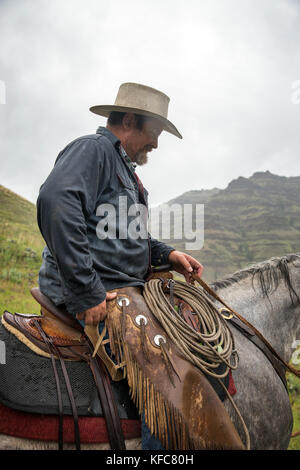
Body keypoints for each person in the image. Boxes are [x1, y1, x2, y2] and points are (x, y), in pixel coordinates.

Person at [37, 82, 203, 449]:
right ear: (129, 120)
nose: (156, 144)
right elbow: (56, 203)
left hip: (122, 288)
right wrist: (86, 290)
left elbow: (124, 234)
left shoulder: (125, 170)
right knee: (166, 380)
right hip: (96, 290)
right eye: (154, 132)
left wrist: (167, 255)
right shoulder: (93, 150)